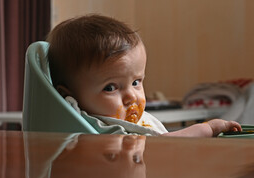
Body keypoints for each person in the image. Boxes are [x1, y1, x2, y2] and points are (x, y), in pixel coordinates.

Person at [46, 14, 242, 137]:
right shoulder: (100, 131)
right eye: (111, 87)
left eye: (136, 82)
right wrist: (210, 128)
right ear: (68, 98)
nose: (131, 96)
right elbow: (163, 146)